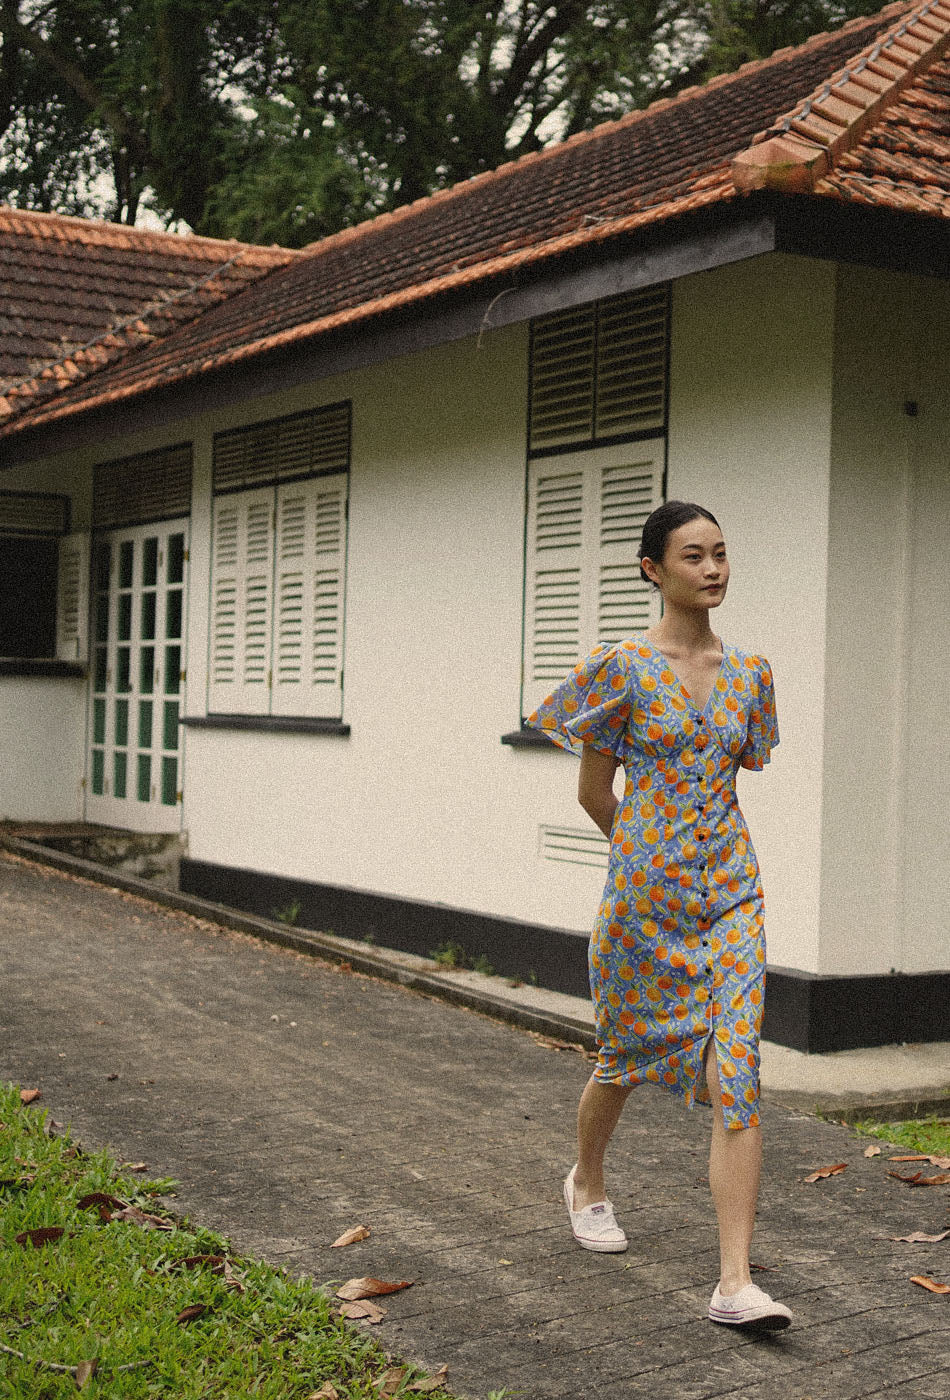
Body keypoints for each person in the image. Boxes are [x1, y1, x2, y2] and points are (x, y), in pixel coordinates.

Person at [527, 500, 792, 1331]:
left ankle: (733, 1283)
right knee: (623, 1059)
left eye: (721, 554)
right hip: (644, 906)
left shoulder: (751, 674)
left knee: (737, 1075)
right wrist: (641, 858)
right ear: (653, 570)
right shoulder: (622, 668)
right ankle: (586, 1180)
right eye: (693, 556)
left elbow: (739, 769)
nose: (713, 569)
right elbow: (592, 790)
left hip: (733, 896)